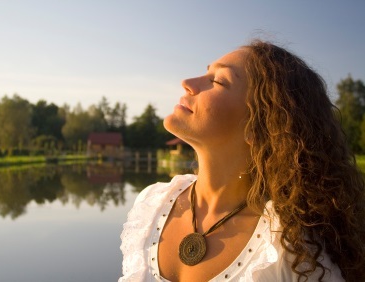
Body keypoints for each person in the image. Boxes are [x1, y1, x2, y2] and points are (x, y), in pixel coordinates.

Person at [119, 40, 365, 282]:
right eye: (207, 73)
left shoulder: (288, 252)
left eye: (217, 81)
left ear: (257, 127)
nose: (187, 83)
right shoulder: (151, 205)